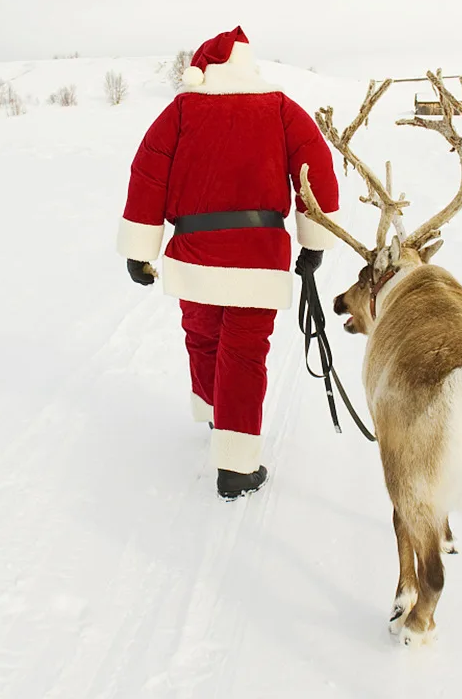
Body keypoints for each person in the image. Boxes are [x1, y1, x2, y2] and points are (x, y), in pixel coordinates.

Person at [116, 26, 339, 500]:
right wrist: (313, 241)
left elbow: (149, 171)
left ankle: (220, 415)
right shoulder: (279, 108)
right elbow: (314, 167)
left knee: (202, 334)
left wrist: (140, 250)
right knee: (243, 352)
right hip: (258, 256)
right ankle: (236, 466)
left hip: (194, 253)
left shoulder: (181, 110)